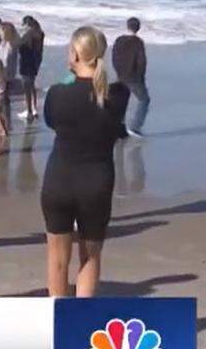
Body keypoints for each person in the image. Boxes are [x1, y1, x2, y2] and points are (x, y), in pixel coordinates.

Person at [41, 26, 128, 297]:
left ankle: (59, 316)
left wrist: (70, 75)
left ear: (76, 54)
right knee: (90, 257)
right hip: (96, 183)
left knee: (57, 259)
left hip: (59, 180)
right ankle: (82, 318)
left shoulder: (57, 94)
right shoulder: (118, 96)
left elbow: (51, 121)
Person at [112, 17, 149, 137]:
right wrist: (141, 76)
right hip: (133, 77)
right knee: (144, 100)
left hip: (120, 75)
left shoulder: (119, 40)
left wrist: (118, 71)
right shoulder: (138, 42)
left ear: (127, 26)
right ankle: (135, 127)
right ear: (138, 28)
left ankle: (118, 127)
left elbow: (114, 57)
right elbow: (142, 61)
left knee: (122, 100)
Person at [18, 16, 45, 122]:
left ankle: (29, 111)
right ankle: (34, 108)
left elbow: (20, 43)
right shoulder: (39, 33)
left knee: (26, 87)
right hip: (35, 60)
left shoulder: (29, 33)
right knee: (32, 84)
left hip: (26, 60)